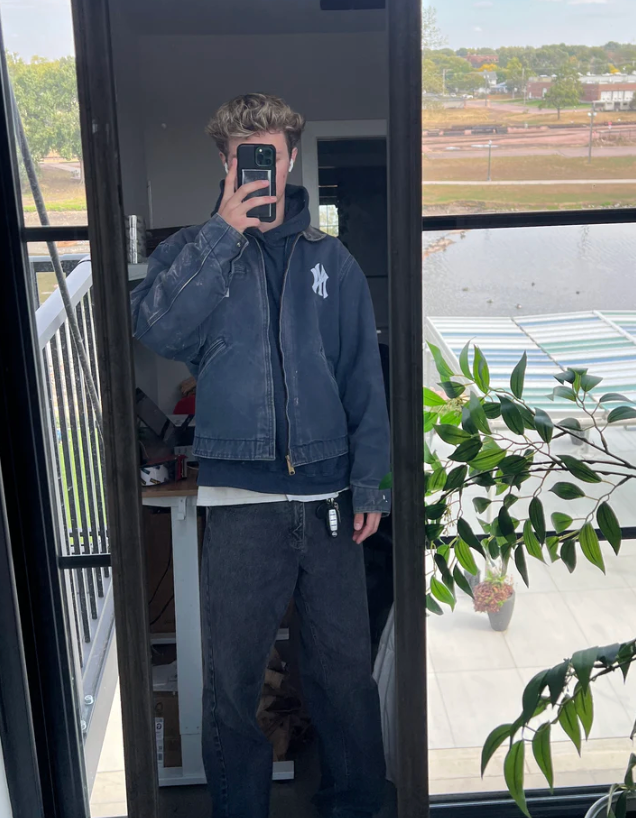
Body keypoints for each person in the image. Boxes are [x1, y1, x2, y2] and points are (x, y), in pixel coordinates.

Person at [131, 93, 390, 818]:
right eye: (244, 157)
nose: (259, 170)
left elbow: (362, 380)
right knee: (231, 684)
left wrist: (371, 484)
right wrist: (222, 235)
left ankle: (354, 807)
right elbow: (155, 327)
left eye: (270, 155)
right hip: (240, 504)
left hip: (330, 499)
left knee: (344, 679)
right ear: (225, 162)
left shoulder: (332, 261)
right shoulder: (195, 253)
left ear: (291, 158)